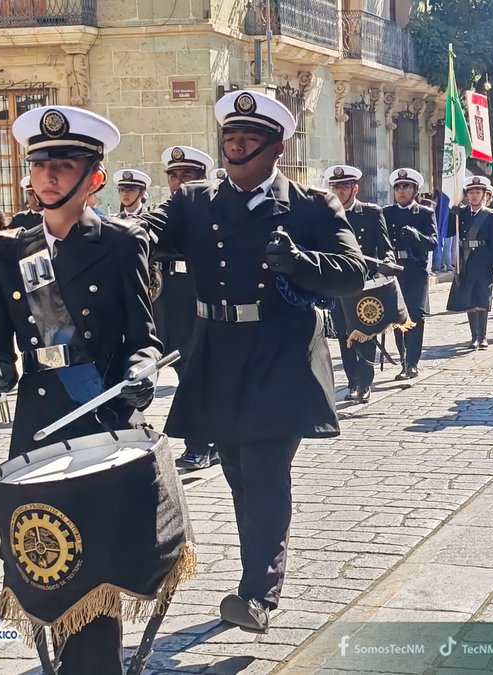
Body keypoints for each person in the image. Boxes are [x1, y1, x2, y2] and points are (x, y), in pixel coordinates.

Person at [134, 89, 366, 633]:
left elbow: (352, 271)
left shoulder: (311, 205)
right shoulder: (194, 200)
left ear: (276, 146)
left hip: (279, 353)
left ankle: (258, 593)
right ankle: (257, 571)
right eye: (230, 138)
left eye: (249, 139)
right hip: (216, 349)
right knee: (238, 470)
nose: (236, 147)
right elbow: (146, 234)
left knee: (263, 470)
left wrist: (301, 261)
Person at [0, 105, 162, 675]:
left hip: (98, 415)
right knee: (44, 551)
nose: (49, 175)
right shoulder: (9, 253)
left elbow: (145, 339)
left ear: (94, 179)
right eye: (40, 165)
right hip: (36, 419)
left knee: (94, 556)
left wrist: (143, 371)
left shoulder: (121, 244)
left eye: (65, 164)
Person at [158, 146, 218, 469]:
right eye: (174, 175)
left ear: (202, 178)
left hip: (202, 307)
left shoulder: (212, 213)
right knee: (188, 377)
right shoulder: (165, 212)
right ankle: (213, 441)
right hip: (172, 310)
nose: (179, 182)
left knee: (196, 378)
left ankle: (200, 444)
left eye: (188, 175)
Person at [324, 164, 394, 402]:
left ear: (355, 188)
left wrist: (388, 263)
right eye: (335, 186)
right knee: (345, 335)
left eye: (344, 186)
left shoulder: (372, 213)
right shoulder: (326, 214)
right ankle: (352, 381)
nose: (339, 191)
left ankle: (365, 383)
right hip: (338, 284)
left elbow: (385, 248)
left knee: (365, 333)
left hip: (366, 285)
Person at [383, 168, 438, 380]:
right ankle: (404, 360)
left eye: (406, 187)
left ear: (415, 190)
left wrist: (417, 236)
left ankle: (413, 362)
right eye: (397, 187)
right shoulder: (386, 213)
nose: (401, 191)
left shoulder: (425, 214)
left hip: (415, 271)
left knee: (415, 317)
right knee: (397, 317)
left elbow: (433, 242)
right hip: (394, 270)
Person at [446, 175, 493, 349]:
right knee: (469, 298)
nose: (474, 196)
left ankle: (483, 335)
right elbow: (448, 233)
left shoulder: (492, 216)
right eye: (471, 193)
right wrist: (451, 214)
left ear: (485, 195)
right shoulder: (460, 213)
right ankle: (473, 337)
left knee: (482, 298)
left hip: (484, 260)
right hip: (466, 260)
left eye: (477, 192)